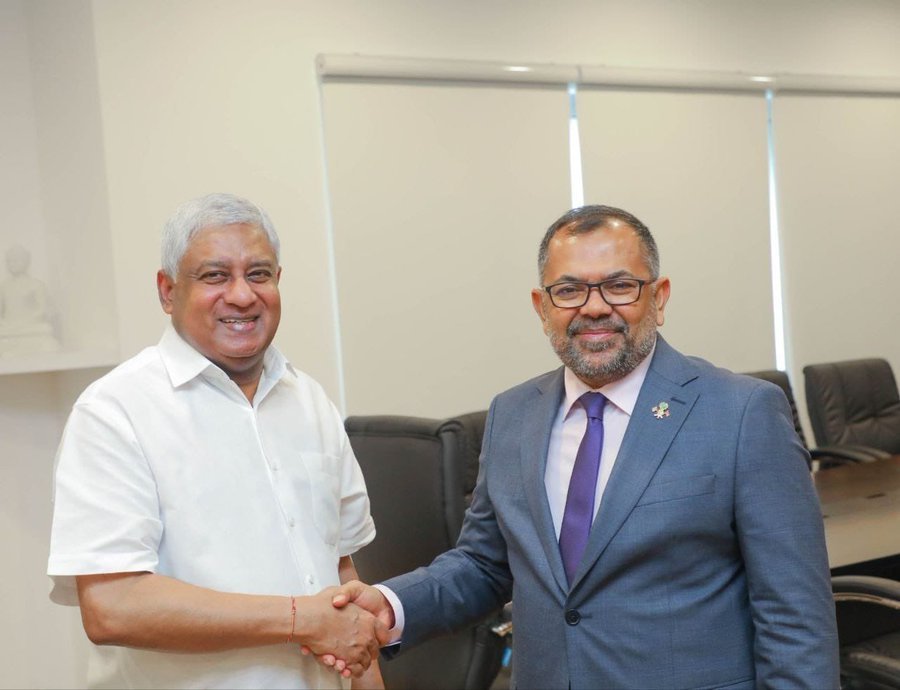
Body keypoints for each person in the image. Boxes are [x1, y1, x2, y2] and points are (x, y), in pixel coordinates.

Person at [327, 205, 840, 688]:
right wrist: (391, 606)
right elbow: (486, 564)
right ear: (542, 307)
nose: (594, 308)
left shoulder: (741, 412)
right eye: (569, 290)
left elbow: (795, 615)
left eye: (619, 285)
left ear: (659, 298)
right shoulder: (512, 414)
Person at [47, 193, 386, 689]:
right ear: (167, 291)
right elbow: (112, 607)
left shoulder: (310, 401)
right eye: (215, 276)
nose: (242, 295)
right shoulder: (114, 412)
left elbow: (341, 575)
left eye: (258, 274)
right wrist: (298, 619)